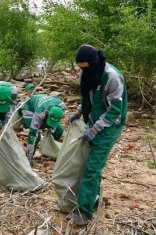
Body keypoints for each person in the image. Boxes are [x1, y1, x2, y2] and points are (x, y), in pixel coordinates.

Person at [66, 44, 128, 225]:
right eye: (80, 68)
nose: (83, 71)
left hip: (110, 126)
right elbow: (88, 96)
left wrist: (94, 130)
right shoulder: (88, 71)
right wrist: (78, 112)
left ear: (93, 62)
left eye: (85, 67)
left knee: (92, 167)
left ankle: (84, 212)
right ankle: (94, 196)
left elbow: (114, 111)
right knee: (90, 164)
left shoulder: (112, 77)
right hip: (94, 121)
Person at [19, 94, 65, 164]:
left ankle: (49, 150)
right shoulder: (40, 113)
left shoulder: (61, 105)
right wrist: (29, 157)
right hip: (29, 108)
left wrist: (53, 128)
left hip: (43, 104)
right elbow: (32, 134)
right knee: (37, 137)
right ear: (48, 113)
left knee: (59, 130)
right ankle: (28, 157)